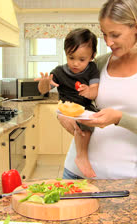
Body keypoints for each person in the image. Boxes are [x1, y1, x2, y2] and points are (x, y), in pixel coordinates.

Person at [58, 0, 137, 179]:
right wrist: (61, 114)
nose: (108, 42)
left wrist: (119, 118)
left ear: (136, 28)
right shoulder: (99, 63)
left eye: (115, 35)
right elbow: (74, 99)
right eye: (104, 34)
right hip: (76, 174)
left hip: (124, 179)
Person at [36, 28, 100, 178]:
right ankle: (81, 157)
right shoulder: (59, 72)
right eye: (71, 58)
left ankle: (82, 156)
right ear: (65, 53)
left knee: (93, 121)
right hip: (66, 107)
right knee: (82, 126)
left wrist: (88, 91)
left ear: (92, 56)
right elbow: (43, 90)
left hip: (85, 107)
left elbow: (95, 91)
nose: (75, 63)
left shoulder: (92, 69)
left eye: (81, 59)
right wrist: (44, 83)